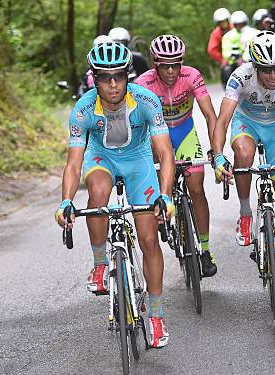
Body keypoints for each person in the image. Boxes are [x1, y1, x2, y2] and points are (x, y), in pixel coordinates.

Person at [55, 42, 175, 348]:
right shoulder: (82, 109)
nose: (111, 84)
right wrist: (66, 200)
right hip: (102, 158)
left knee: (149, 239)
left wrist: (165, 195)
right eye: (104, 77)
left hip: (138, 162)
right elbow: (73, 162)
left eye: (118, 76)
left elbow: (164, 152)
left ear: (128, 76)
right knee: (97, 191)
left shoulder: (146, 101)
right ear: (93, 77)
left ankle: (157, 316)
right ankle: (99, 262)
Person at [212, 31, 275, 301]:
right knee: (244, 154)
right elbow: (222, 121)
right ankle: (246, 213)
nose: (272, 76)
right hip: (246, 123)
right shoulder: (240, 77)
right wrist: (219, 156)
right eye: (266, 70)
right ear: (254, 66)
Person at [135, 35, 219, 277]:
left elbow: (210, 117)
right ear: (155, 63)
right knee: (164, 181)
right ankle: (165, 206)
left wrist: (217, 150)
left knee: (196, 185)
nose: (171, 71)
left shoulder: (191, 76)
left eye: (175, 64)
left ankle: (204, 249)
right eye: (165, 65)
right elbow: (137, 124)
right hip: (156, 137)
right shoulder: (143, 83)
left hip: (184, 132)